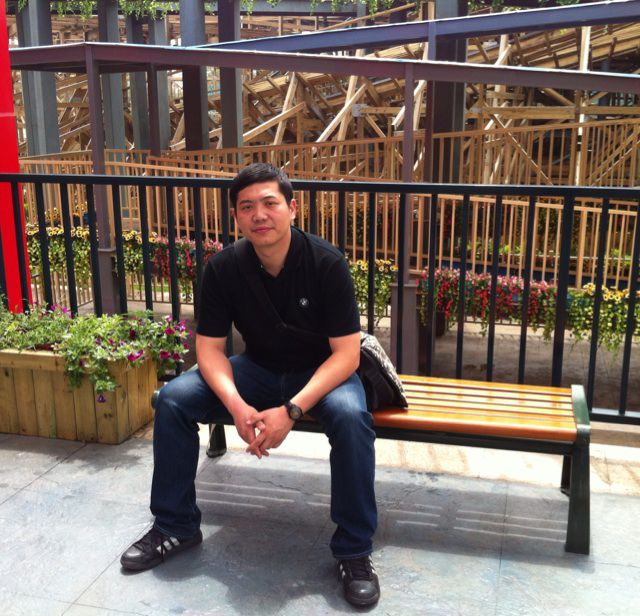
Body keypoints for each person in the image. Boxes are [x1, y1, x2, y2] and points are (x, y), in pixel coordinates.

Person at [120, 163, 379, 607]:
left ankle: (354, 551)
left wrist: (292, 410)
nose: (259, 214)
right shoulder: (224, 268)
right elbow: (209, 350)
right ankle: (175, 525)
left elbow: (346, 356)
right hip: (257, 368)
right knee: (174, 399)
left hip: (320, 372)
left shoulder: (326, 263)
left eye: (269, 203)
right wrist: (237, 405)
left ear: (292, 208)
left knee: (351, 417)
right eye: (247, 207)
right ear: (237, 217)